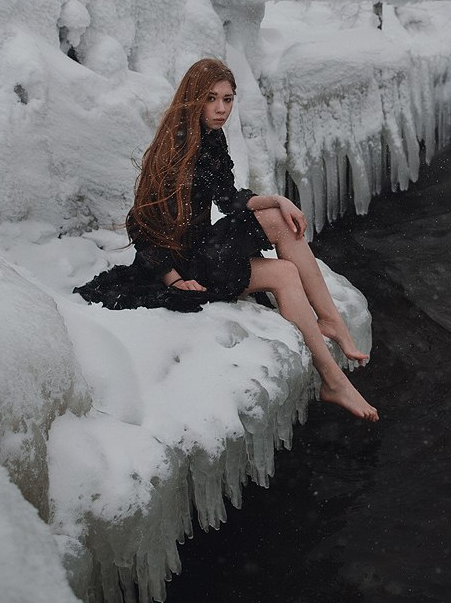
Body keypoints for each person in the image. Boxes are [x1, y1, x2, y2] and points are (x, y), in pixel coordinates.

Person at [75, 57, 378, 422]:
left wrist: (276, 200)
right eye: (211, 99)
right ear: (193, 99)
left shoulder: (213, 138)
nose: (221, 109)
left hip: (203, 247)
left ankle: (332, 329)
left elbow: (227, 198)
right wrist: (172, 278)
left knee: (283, 246)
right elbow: (141, 225)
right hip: (182, 262)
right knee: (283, 271)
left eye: (228, 99)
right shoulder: (172, 148)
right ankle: (333, 377)